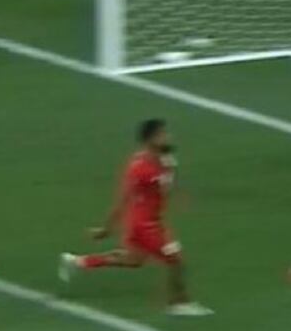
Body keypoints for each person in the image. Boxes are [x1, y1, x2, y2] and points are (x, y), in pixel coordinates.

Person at [59, 119, 213, 316]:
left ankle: (77, 262)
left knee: (134, 260)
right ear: (151, 139)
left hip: (152, 220)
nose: (168, 137)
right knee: (176, 259)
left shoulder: (166, 158)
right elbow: (124, 200)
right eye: (162, 134)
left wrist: (177, 191)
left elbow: (168, 182)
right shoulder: (139, 167)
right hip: (144, 225)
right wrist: (106, 229)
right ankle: (179, 303)